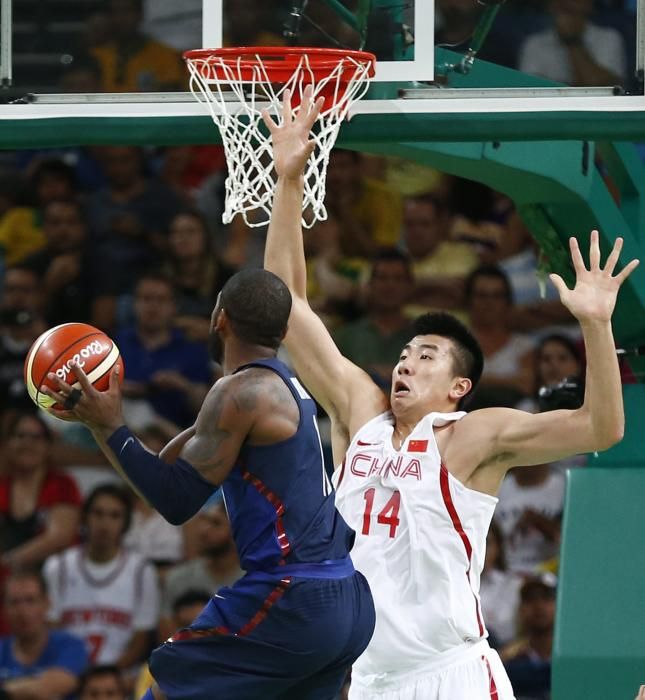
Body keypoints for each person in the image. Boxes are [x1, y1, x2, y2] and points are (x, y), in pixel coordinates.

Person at [262, 86, 638, 699]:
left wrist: (596, 324)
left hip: (450, 676)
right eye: (406, 354)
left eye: (427, 356)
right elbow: (288, 305)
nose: (406, 363)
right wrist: (288, 178)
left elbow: (602, 429)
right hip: (364, 679)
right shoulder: (363, 415)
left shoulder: (473, 435)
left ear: (458, 388)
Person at [41, 266, 376, 700]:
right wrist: (112, 427)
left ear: (220, 318)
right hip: (345, 598)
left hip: (294, 597)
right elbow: (166, 466)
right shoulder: (282, 384)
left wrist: (107, 427)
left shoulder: (240, 392)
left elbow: (176, 500)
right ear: (282, 329)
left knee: (163, 692)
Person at [44, 484, 160, 668]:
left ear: (126, 522)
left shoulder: (142, 571)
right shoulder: (58, 567)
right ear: (85, 518)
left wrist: (108, 678)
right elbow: (51, 628)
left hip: (117, 681)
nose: (105, 524)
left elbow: (140, 640)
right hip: (66, 674)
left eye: (114, 515)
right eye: (98, 513)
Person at [0, 569, 88, 699]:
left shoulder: (71, 646)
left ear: (47, 603)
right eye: (14, 602)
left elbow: (48, 688)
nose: (23, 611)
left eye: (30, 600)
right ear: (5, 609)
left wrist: (4, 692)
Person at [501, 575, 556, 700]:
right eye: (530, 599)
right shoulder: (508, 660)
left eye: (546, 598)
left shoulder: (570, 659)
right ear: (520, 609)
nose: (538, 606)